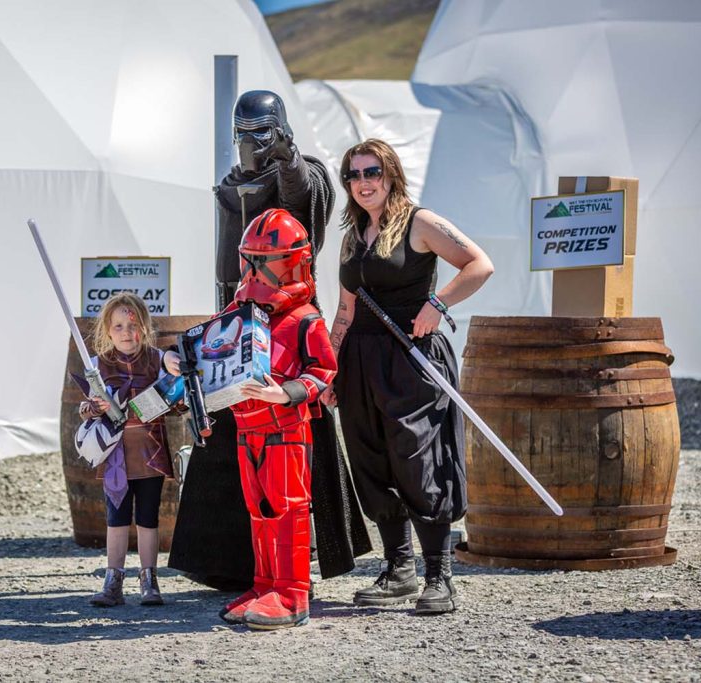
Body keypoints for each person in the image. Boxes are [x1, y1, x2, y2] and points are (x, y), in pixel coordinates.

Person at [168, 89, 371, 591]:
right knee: (231, 448)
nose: (249, 145)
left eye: (258, 134)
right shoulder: (235, 183)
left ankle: (295, 572)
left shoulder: (305, 174)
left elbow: (305, 202)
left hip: (285, 325)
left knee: (297, 457)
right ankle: (231, 565)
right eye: (243, 135)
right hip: (234, 326)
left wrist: (287, 157)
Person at [322, 138, 494, 615]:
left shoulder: (420, 222)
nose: (362, 183)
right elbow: (345, 309)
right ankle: (399, 570)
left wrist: (437, 305)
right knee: (372, 461)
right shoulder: (352, 236)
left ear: (391, 173)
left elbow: (479, 264)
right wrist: (331, 369)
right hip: (360, 360)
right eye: (353, 175)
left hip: (413, 357)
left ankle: (439, 577)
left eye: (371, 171)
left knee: (419, 459)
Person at [217, 208, 335, 629]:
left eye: (262, 262)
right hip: (246, 427)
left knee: (288, 510)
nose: (253, 274)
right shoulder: (241, 314)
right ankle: (265, 584)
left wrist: (283, 392)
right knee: (258, 510)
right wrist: (181, 359)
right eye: (249, 262)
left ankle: (291, 593)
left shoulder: (305, 320)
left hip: (285, 430)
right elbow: (211, 345)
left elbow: (323, 372)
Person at [80, 292, 182, 607]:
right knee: (117, 518)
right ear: (108, 331)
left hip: (149, 452)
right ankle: (113, 581)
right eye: (119, 326)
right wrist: (90, 409)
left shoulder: (156, 358)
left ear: (145, 327)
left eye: (133, 325)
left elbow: (173, 376)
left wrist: (175, 377)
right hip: (115, 457)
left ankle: (149, 580)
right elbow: (88, 406)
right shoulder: (97, 365)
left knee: (148, 518)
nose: (127, 333)